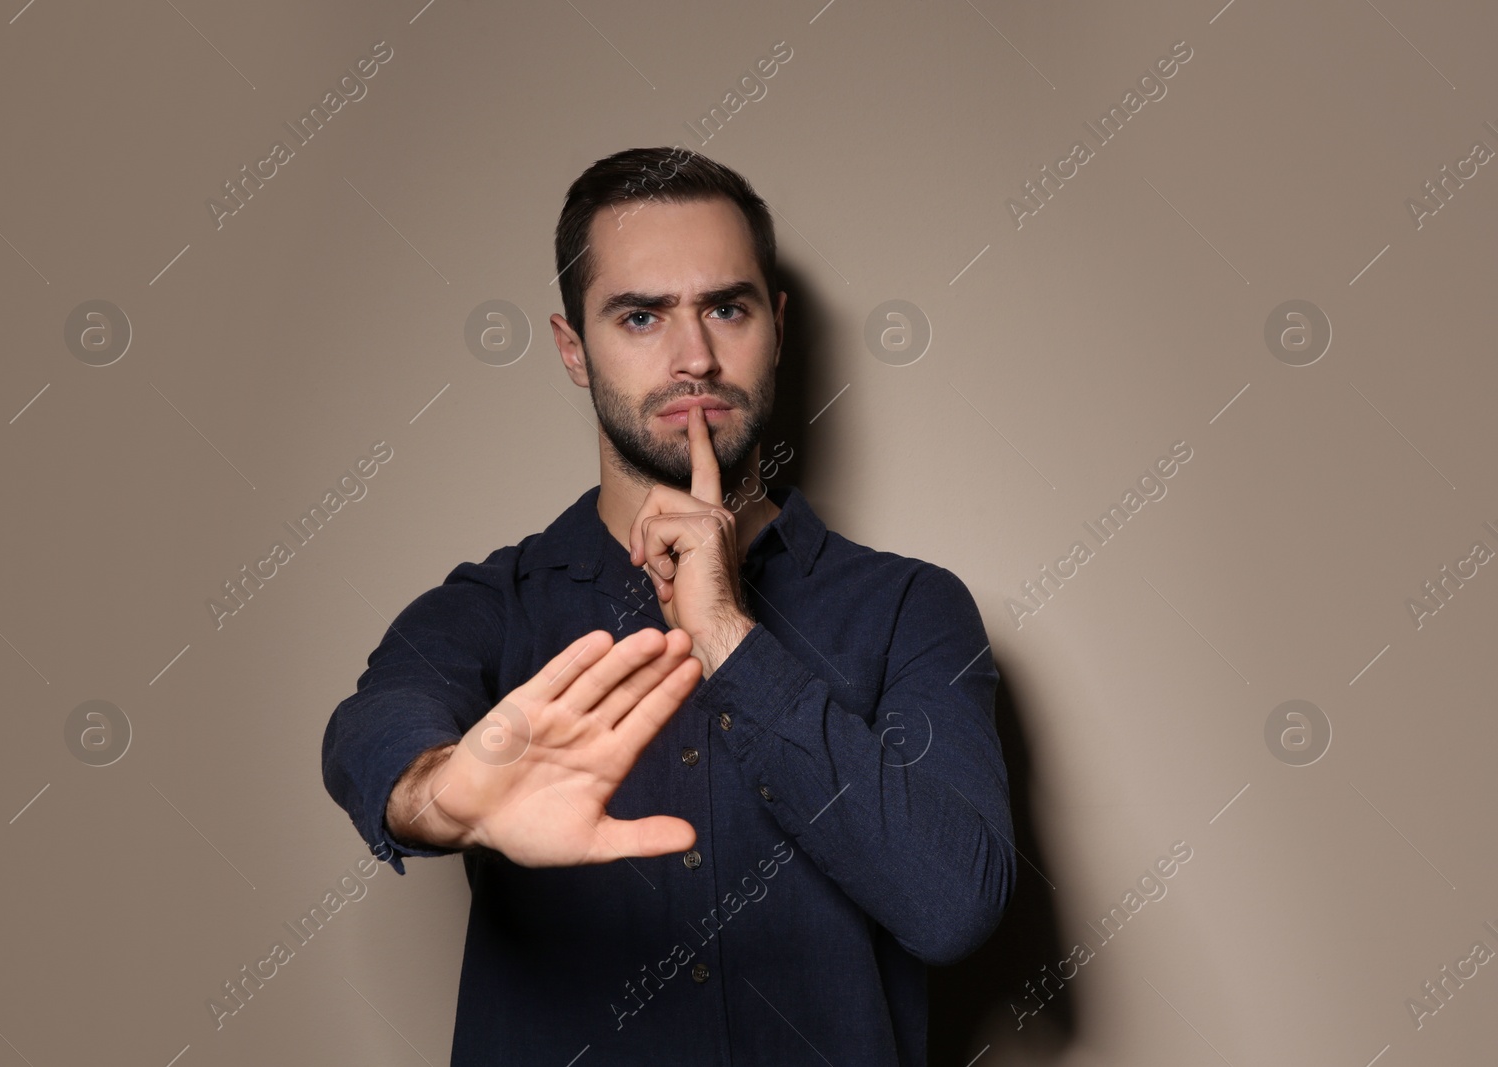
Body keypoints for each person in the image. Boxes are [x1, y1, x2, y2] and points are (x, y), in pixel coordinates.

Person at [320, 146, 1015, 1066]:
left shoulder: (908, 607)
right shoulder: (492, 607)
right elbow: (374, 724)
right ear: (575, 349)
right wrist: (438, 799)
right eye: (641, 316)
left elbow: (953, 901)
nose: (695, 358)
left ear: (778, 326)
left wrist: (729, 635)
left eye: (728, 308)